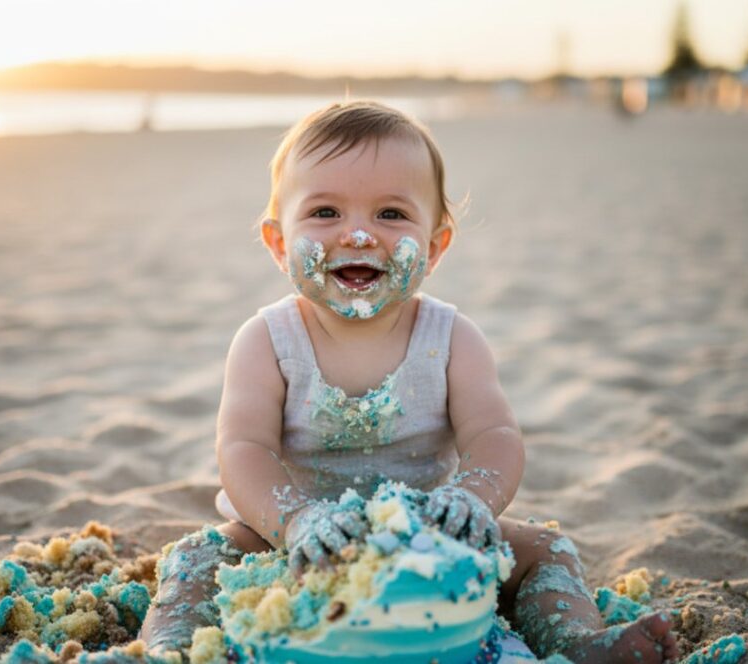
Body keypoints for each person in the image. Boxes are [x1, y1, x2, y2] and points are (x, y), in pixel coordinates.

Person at [139, 101, 679, 663]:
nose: (358, 234)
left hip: (432, 537)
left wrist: (471, 498)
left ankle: (573, 642)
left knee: (547, 549)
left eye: (391, 215)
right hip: (291, 544)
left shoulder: (452, 339)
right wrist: (296, 520)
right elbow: (243, 448)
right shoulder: (266, 341)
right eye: (324, 211)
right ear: (278, 244)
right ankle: (175, 652)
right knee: (197, 559)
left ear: (435, 246)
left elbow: (494, 434)